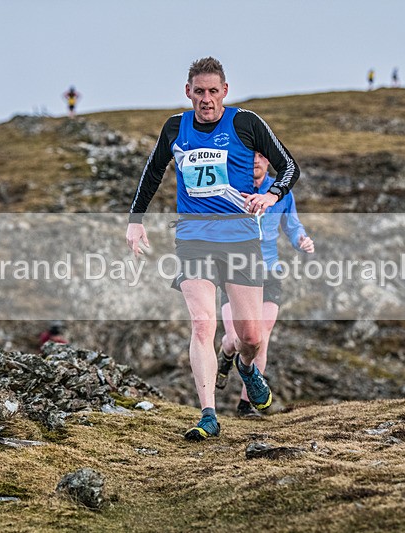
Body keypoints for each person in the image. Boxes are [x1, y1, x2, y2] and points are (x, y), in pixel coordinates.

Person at [126, 57, 300, 441]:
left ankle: (247, 369)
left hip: (241, 240)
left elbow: (289, 166)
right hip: (193, 239)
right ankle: (207, 414)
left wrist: (271, 196)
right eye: (199, 91)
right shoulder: (176, 128)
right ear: (188, 92)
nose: (206, 99)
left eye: (212, 91)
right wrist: (135, 220)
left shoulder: (246, 123)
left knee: (251, 338)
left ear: (225, 91)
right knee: (203, 323)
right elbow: (153, 171)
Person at [215, 151, 314, 417]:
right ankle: (225, 357)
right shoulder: (232, 188)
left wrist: (302, 240)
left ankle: (246, 404)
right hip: (236, 270)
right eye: (250, 156)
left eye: (261, 156)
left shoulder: (279, 191)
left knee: (262, 337)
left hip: (269, 271)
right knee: (236, 339)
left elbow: (292, 226)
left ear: (268, 160)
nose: (256, 160)